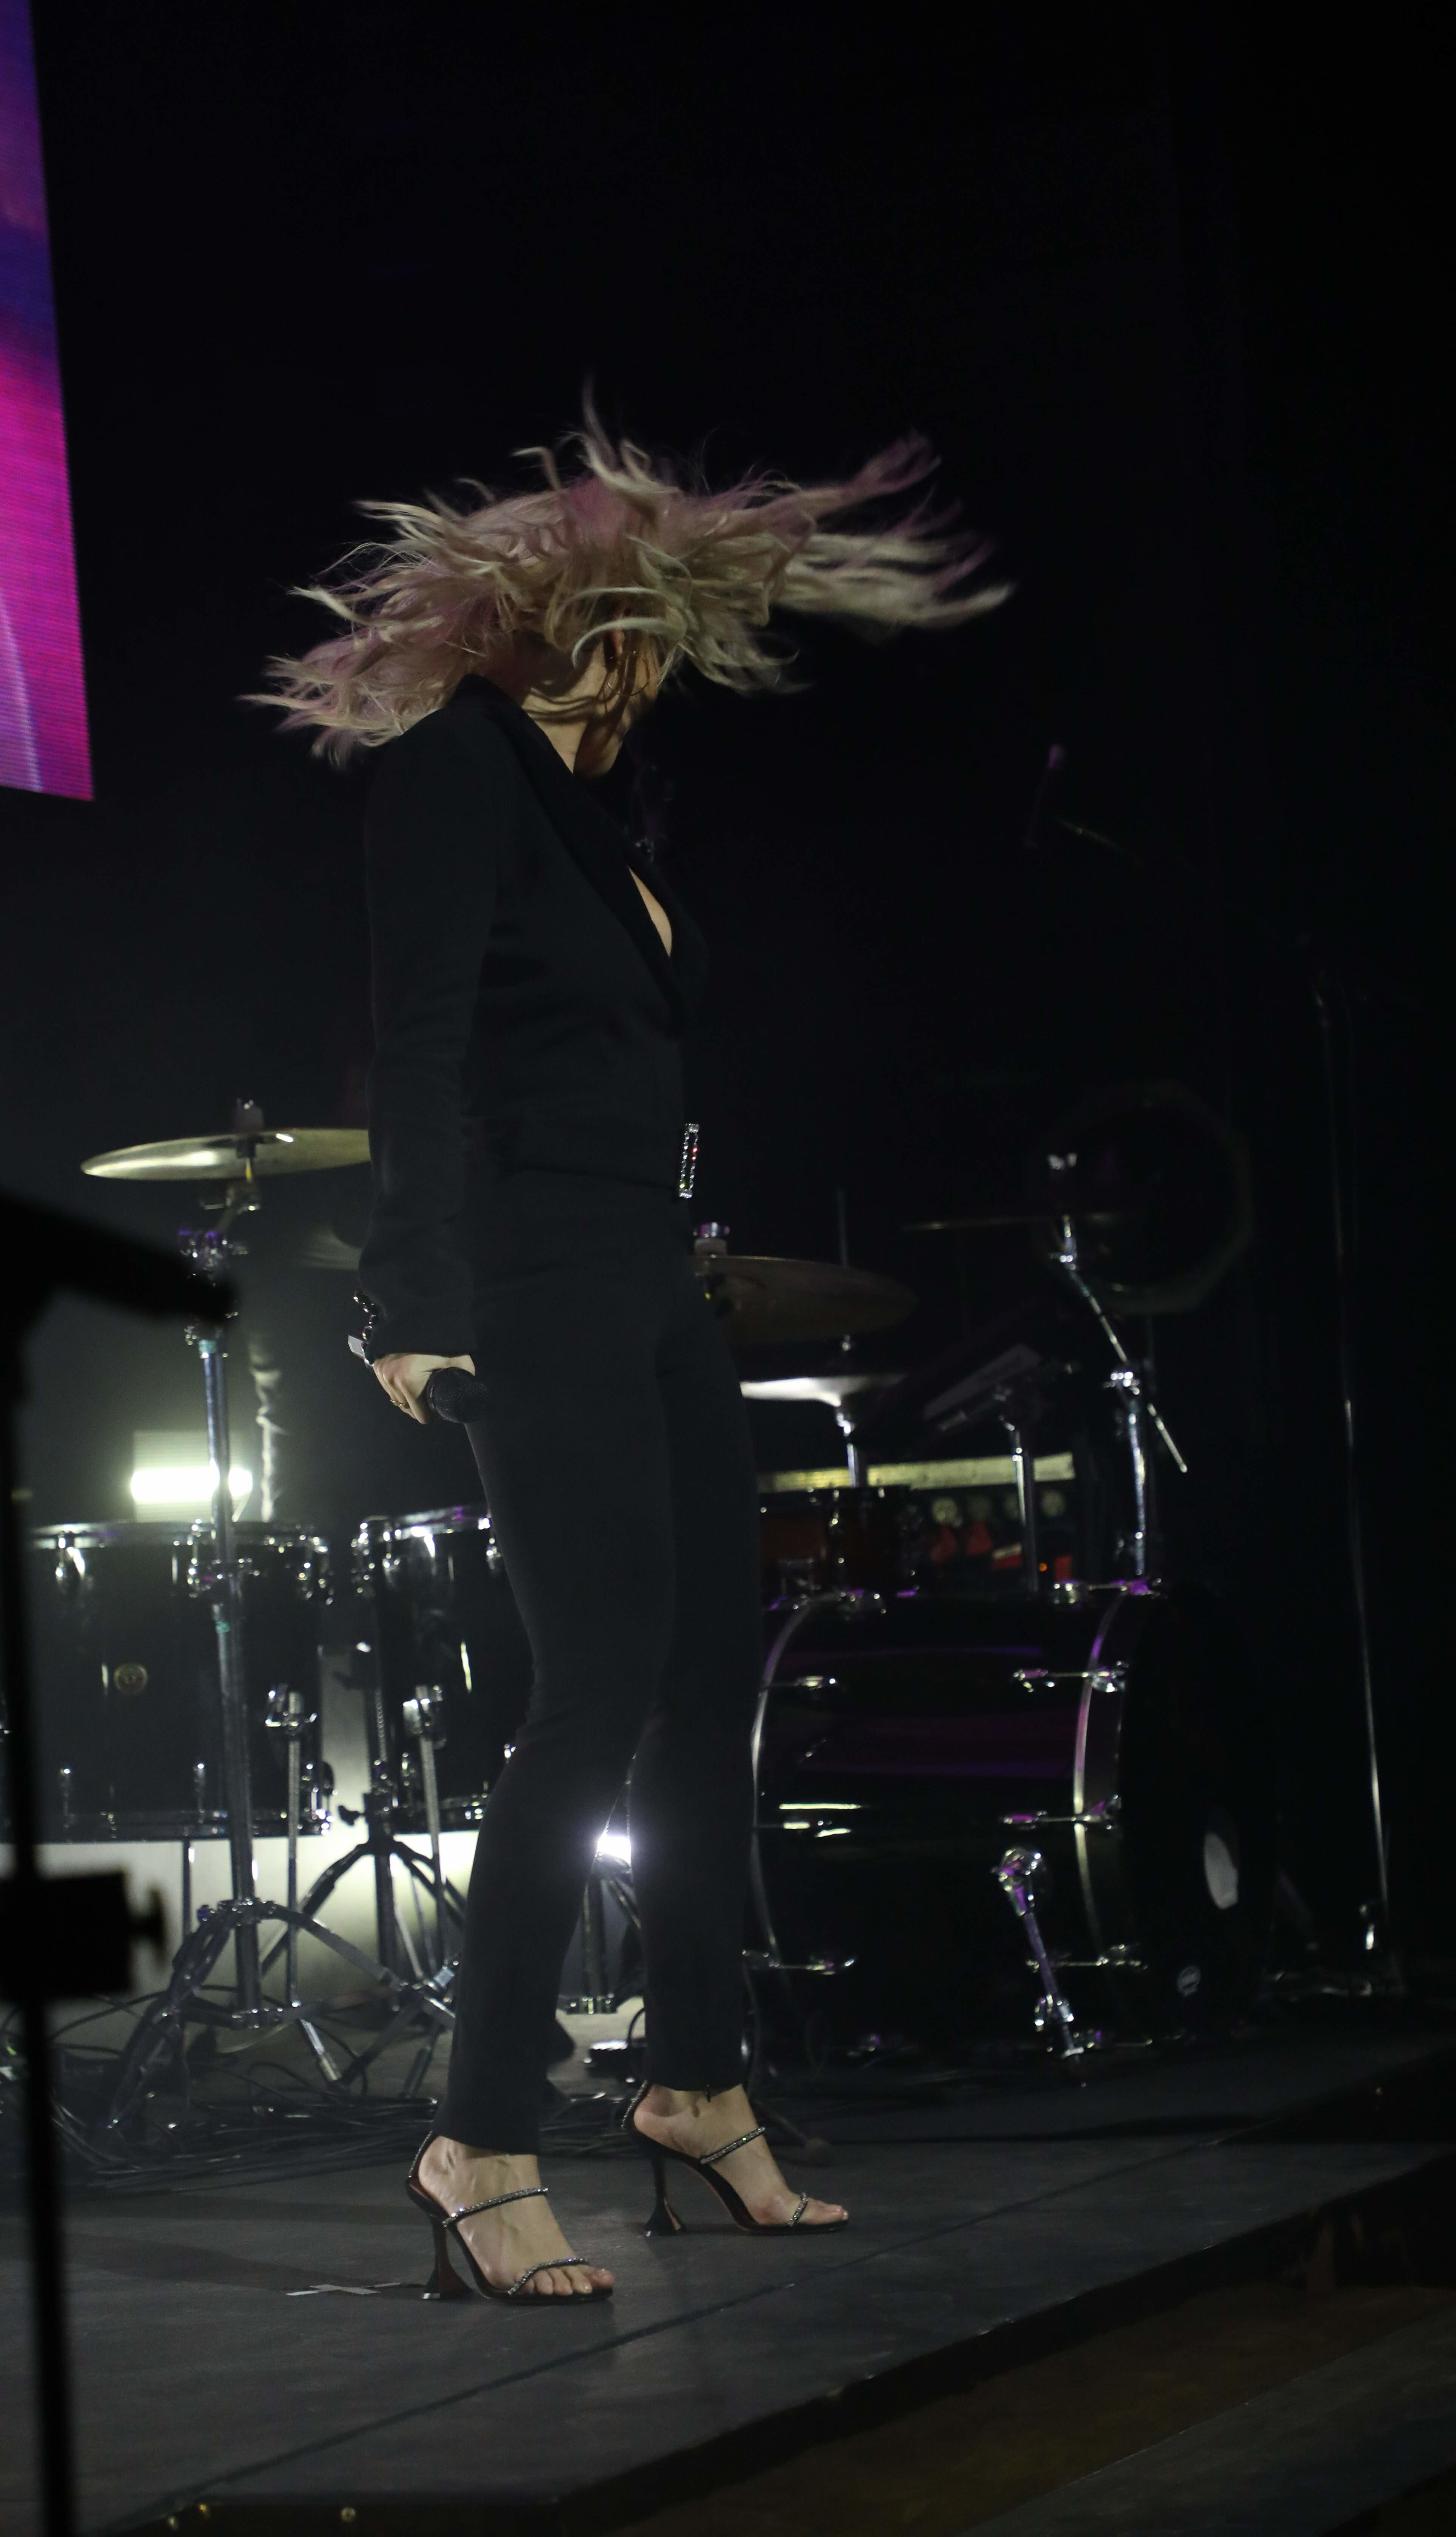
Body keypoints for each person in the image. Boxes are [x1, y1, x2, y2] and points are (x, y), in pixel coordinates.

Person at [265, 408, 1004, 2301]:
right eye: (631, 631)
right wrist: (408, 1294)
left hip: (649, 1270)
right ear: (576, 628)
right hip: (530, 1273)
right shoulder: (454, 775)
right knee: (590, 1687)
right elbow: (417, 1044)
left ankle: (697, 2080)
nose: (647, 669)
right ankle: (479, 2134)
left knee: (702, 1681)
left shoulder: (597, 822)